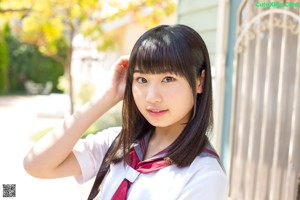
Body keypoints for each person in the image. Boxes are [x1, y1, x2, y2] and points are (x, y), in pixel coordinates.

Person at [23, 24, 228, 199]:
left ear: (200, 81)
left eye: (168, 79)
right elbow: (37, 165)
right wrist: (107, 97)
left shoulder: (203, 174)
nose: (152, 97)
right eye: (142, 80)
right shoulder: (119, 143)